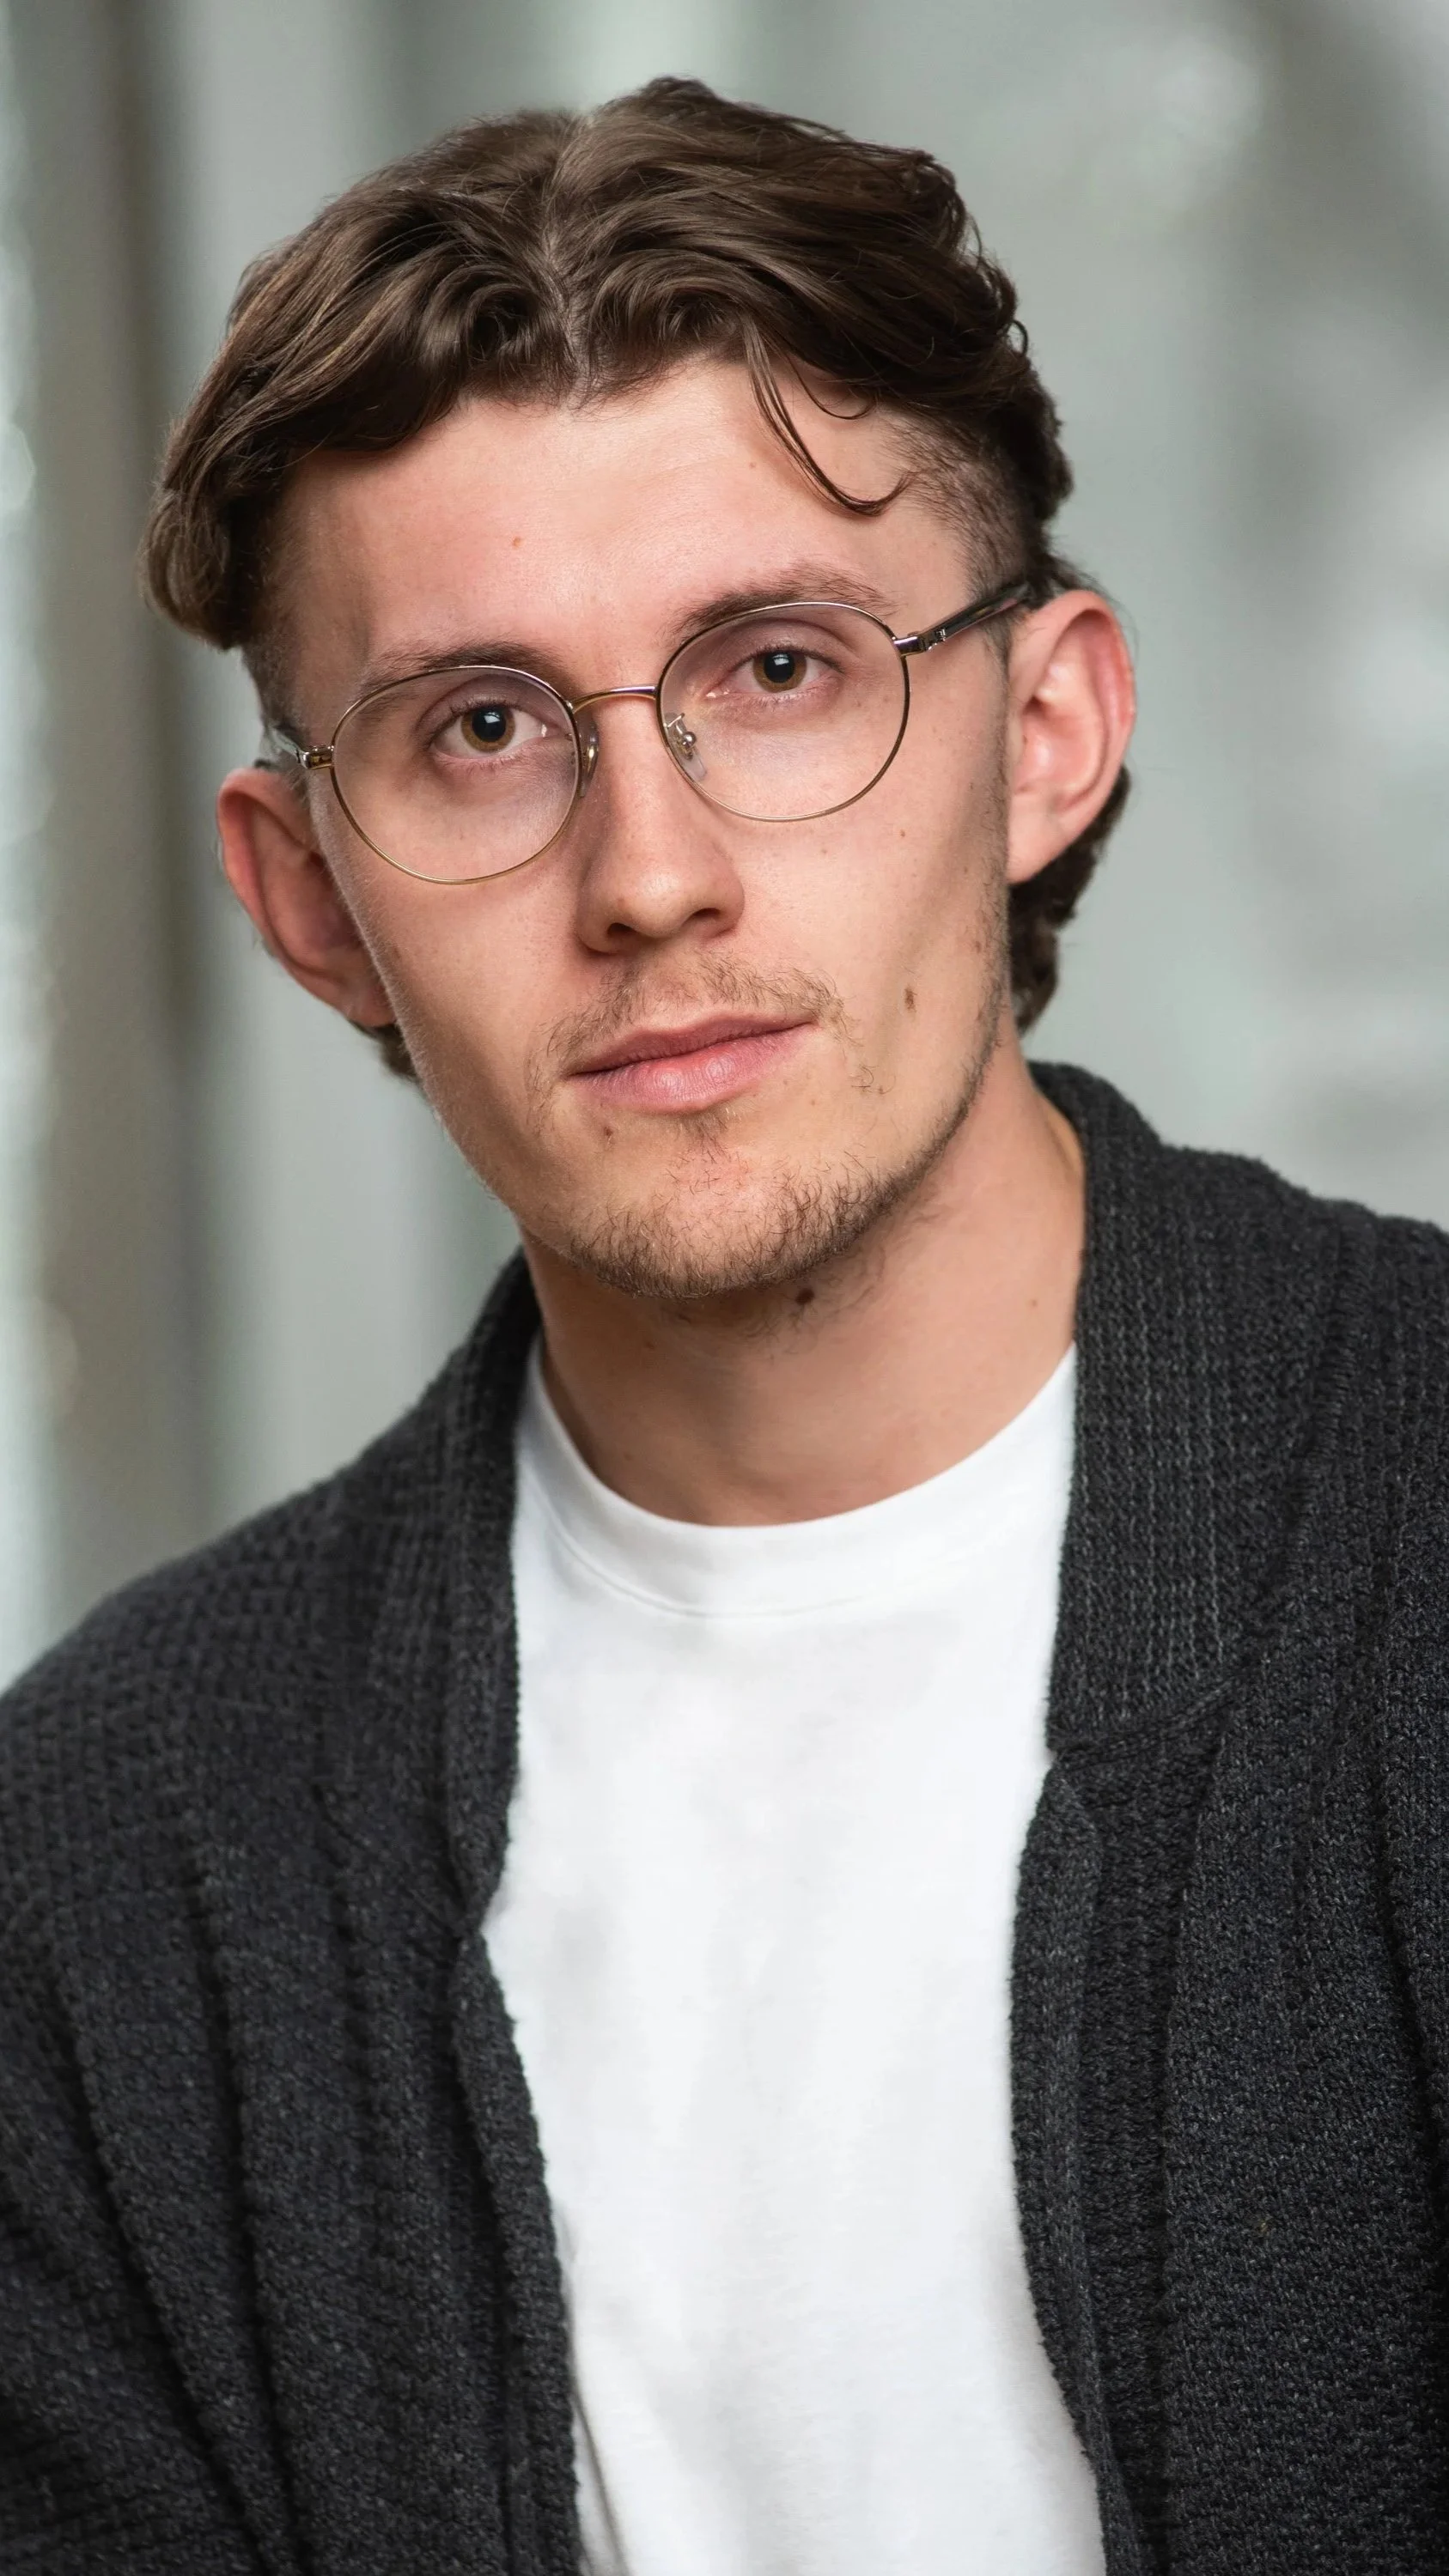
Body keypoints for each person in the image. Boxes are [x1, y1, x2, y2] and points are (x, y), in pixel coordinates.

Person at [3, 73, 1447, 2576]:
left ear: (1049, 732)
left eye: (778, 669)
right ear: (310, 897)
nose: (648, 874)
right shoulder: (105, 1862)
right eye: (478, 730)